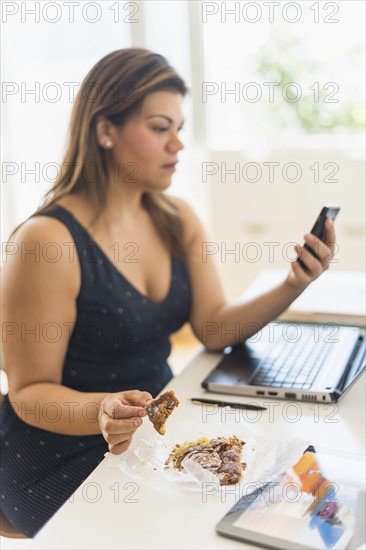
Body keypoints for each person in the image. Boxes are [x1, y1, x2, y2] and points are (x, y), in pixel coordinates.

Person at [0, 48, 336, 537]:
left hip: (149, 441)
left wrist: (294, 283)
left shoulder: (176, 218)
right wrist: (102, 410)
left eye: (179, 128)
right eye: (160, 128)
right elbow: (29, 394)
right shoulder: (46, 242)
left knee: (282, 499)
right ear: (105, 130)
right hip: (60, 454)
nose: (178, 144)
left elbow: (214, 327)